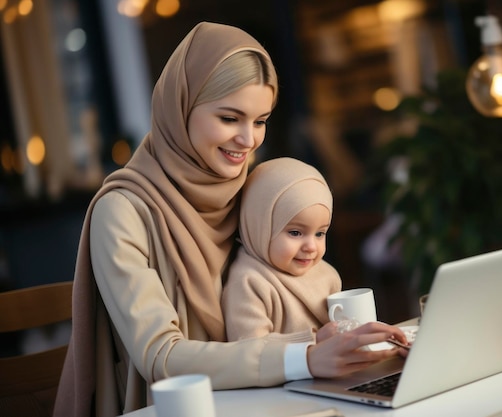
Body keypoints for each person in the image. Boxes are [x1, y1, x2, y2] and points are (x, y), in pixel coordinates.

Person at [53, 22, 407, 417]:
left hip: (273, 399)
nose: (248, 139)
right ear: (181, 106)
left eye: (259, 121)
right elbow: (160, 355)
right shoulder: (123, 213)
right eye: (229, 118)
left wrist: (326, 342)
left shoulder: (251, 192)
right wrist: (304, 358)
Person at [222, 157, 342, 341]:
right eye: (295, 232)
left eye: (320, 233)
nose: (311, 247)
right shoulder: (249, 283)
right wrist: (314, 341)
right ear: (260, 226)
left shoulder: (326, 275)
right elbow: (251, 351)